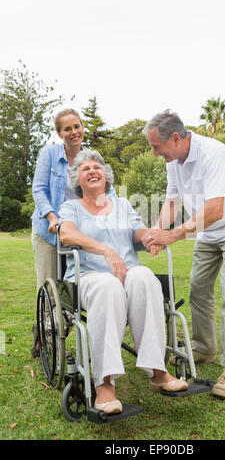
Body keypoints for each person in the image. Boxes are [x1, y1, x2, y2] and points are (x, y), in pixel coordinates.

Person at [58, 149, 188, 414]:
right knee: (108, 287)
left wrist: (150, 237)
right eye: (85, 169)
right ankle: (104, 384)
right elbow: (67, 235)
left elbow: (138, 232)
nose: (93, 171)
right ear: (77, 180)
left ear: (106, 176)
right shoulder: (71, 207)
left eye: (97, 167)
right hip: (89, 276)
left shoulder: (123, 205)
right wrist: (105, 250)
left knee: (145, 277)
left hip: (127, 272)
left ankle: (158, 371)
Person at [141, 109, 225, 399]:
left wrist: (175, 234)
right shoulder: (174, 162)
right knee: (198, 289)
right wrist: (156, 232)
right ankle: (205, 347)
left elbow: (216, 209)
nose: (155, 153)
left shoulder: (213, 153)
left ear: (176, 138)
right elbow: (171, 202)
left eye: (156, 146)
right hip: (208, 232)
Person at [30, 108, 117, 357]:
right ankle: (48, 339)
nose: (74, 132)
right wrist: (52, 217)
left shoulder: (91, 156)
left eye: (77, 126)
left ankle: (57, 332)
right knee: (49, 287)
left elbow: (105, 187)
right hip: (49, 230)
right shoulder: (48, 154)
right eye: (67, 128)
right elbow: (39, 189)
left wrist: (113, 210)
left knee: (71, 287)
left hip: (78, 232)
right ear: (59, 133)